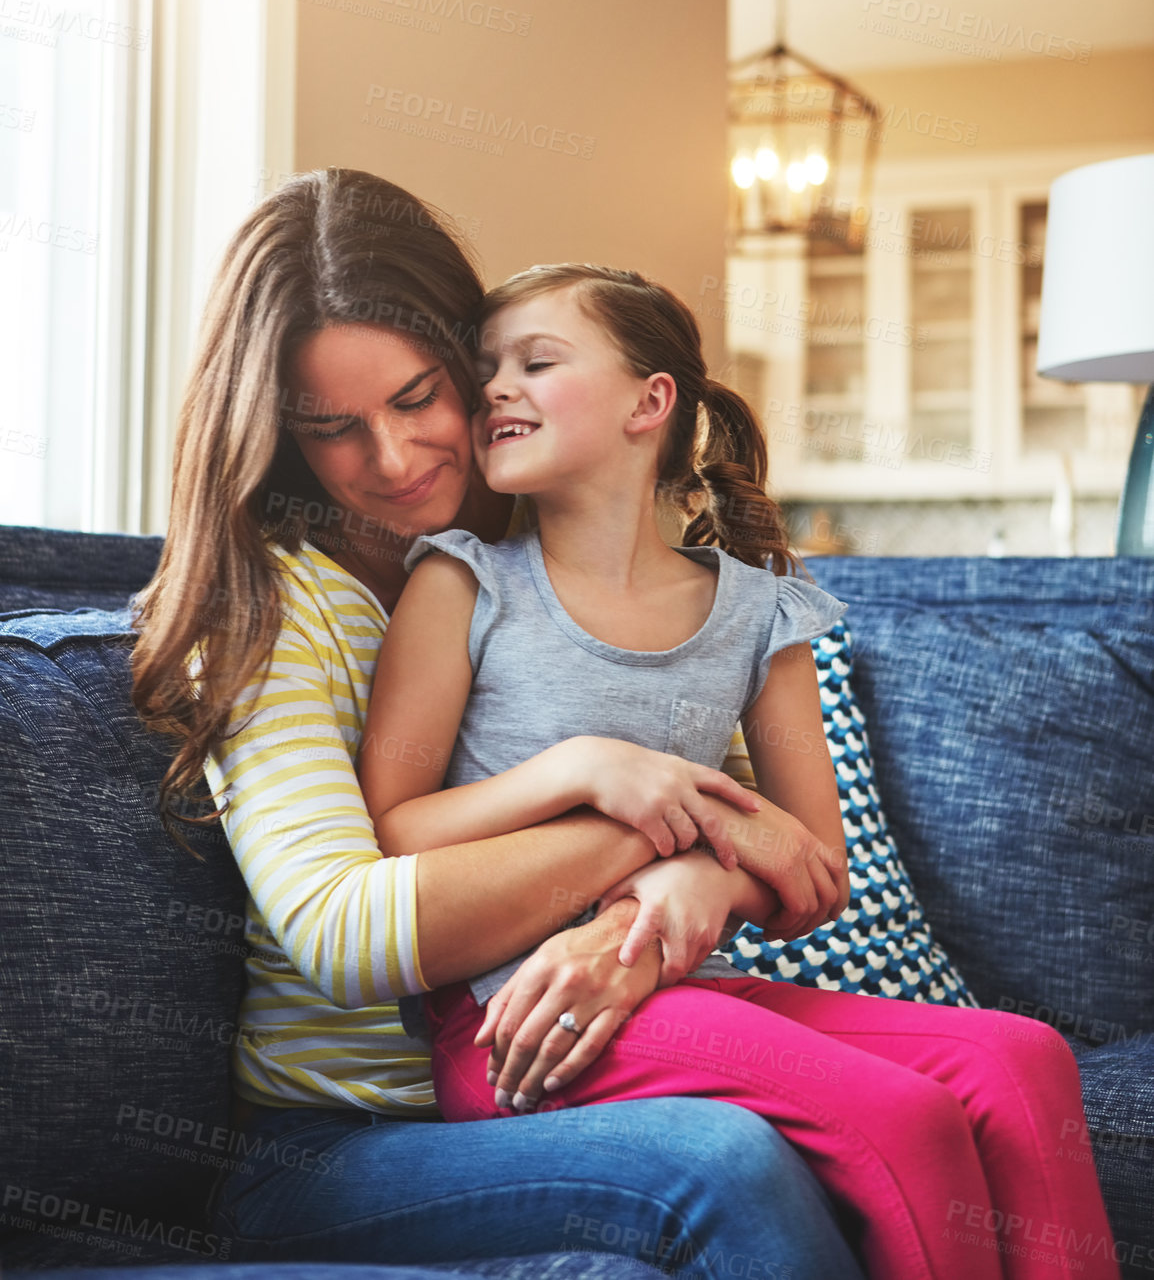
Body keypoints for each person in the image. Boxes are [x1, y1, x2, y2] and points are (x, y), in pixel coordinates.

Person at [129, 167, 868, 1280]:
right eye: (331, 429)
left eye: (419, 396)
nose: (391, 458)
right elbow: (344, 930)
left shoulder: (554, 571)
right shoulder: (271, 610)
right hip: (342, 1145)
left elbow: (767, 844)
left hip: (577, 1076)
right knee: (720, 1165)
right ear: (275, 432)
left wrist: (681, 890)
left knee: (920, 1101)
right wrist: (637, 816)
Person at [355, 260, 1122, 1280]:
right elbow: (393, 828)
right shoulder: (461, 583)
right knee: (897, 1112)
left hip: (685, 984)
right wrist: (584, 767)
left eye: (535, 361)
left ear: (649, 402)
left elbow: (813, 871)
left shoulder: (763, 614)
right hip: (518, 1015)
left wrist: (707, 874)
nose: (493, 386)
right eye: (485, 365)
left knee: (1020, 1058)